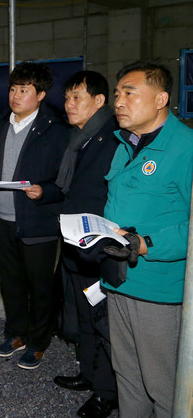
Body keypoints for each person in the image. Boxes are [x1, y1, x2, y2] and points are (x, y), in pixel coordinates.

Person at [102, 61, 193, 418]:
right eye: (117, 94)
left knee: (164, 386)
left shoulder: (185, 148)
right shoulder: (125, 144)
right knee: (128, 377)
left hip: (159, 292)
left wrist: (147, 244)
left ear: (161, 99)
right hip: (119, 279)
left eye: (129, 93)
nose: (118, 102)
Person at [27, 71, 119, 418]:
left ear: (99, 100)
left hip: (98, 245)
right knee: (83, 313)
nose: (69, 104)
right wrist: (45, 192)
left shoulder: (113, 139)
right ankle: (89, 373)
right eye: (66, 97)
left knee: (102, 319)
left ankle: (107, 393)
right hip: (75, 243)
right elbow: (68, 188)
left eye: (77, 97)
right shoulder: (80, 138)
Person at [0, 61, 70, 369]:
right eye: (13, 89)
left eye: (24, 90)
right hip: (4, 220)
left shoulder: (56, 130)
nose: (16, 96)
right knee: (11, 283)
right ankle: (16, 333)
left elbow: (65, 181)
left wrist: (44, 191)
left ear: (41, 94)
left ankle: (38, 341)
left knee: (40, 287)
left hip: (38, 220)